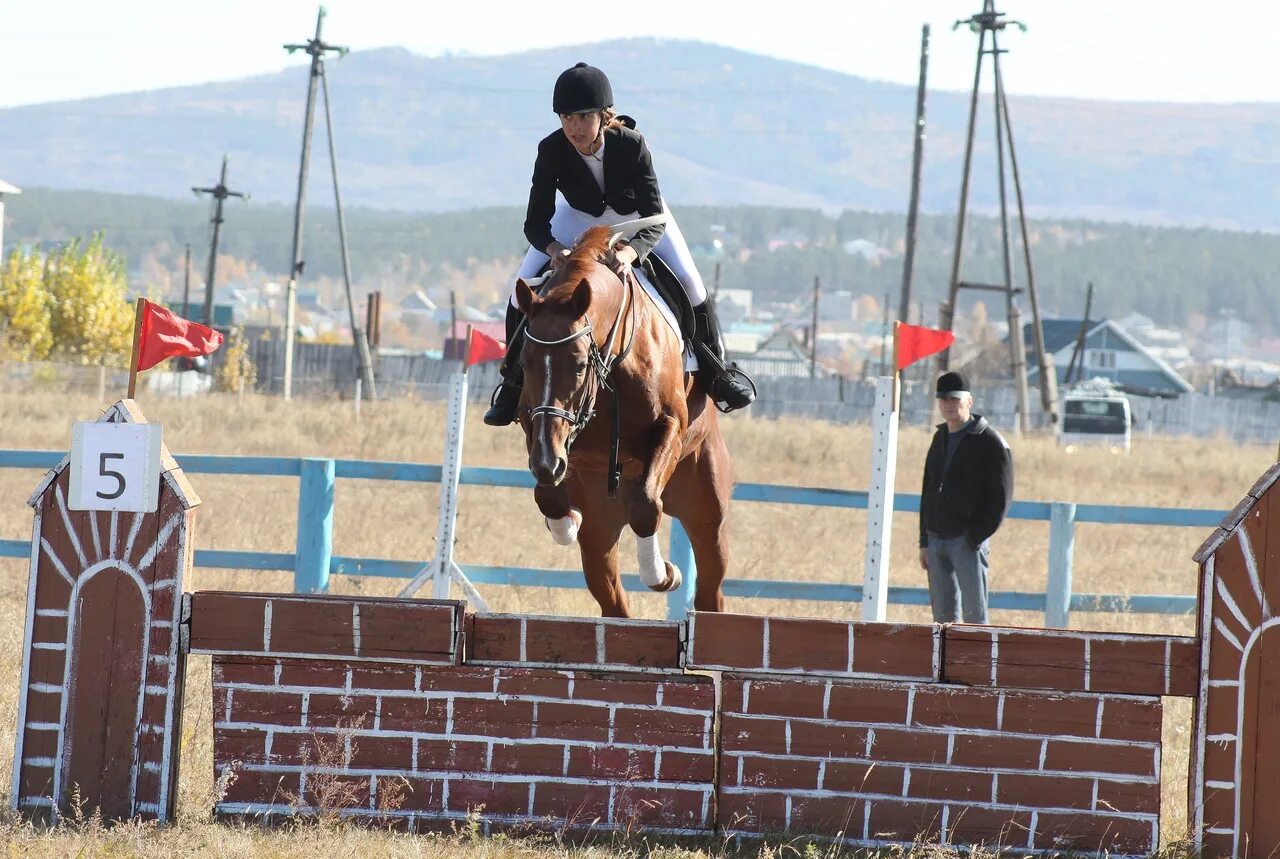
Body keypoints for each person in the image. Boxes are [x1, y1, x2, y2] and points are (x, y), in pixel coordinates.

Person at [483, 62, 754, 426]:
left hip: (636, 217)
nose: (574, 127)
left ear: (602, 115)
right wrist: (554, 251)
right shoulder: (550, 149)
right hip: (578, 216)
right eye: (566, 117)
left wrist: (629, 252)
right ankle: (513, 382)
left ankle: (717, 368)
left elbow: (654, 215)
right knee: (520, 293)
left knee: (690, 282)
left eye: (582, 117)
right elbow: (535, 223)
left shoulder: (632, 145)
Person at [918, 371, 1014, 624]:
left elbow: (1001, 499)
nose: (949, 405)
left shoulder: (990, 441)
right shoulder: (939, 438)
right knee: (942, 622)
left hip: (967, 542)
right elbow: (928, 491)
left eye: (955, 399)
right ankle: (946, 664)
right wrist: (924, 540)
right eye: (944, 399)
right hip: (936, 540)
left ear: (969, 401)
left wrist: (974, 537)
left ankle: (978, 664)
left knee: (975, 619)